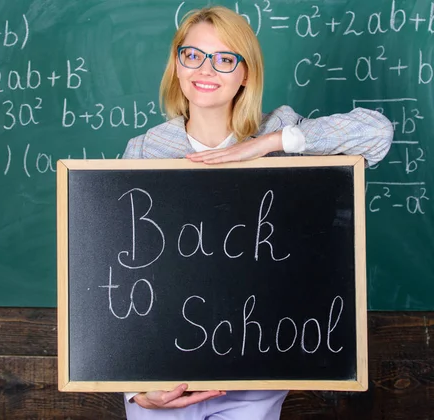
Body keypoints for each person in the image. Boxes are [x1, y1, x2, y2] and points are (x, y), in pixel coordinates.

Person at [121, 5, 393, 420]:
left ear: (245, 73)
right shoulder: (143, 150)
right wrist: (138, 392)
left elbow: (376, 133)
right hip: (165, 379)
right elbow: (120, 276)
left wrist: (267, 144)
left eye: (225, 58)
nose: (205, 69)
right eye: (192, 55)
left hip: (255, 377)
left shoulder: (276, 130)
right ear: (176, 64)